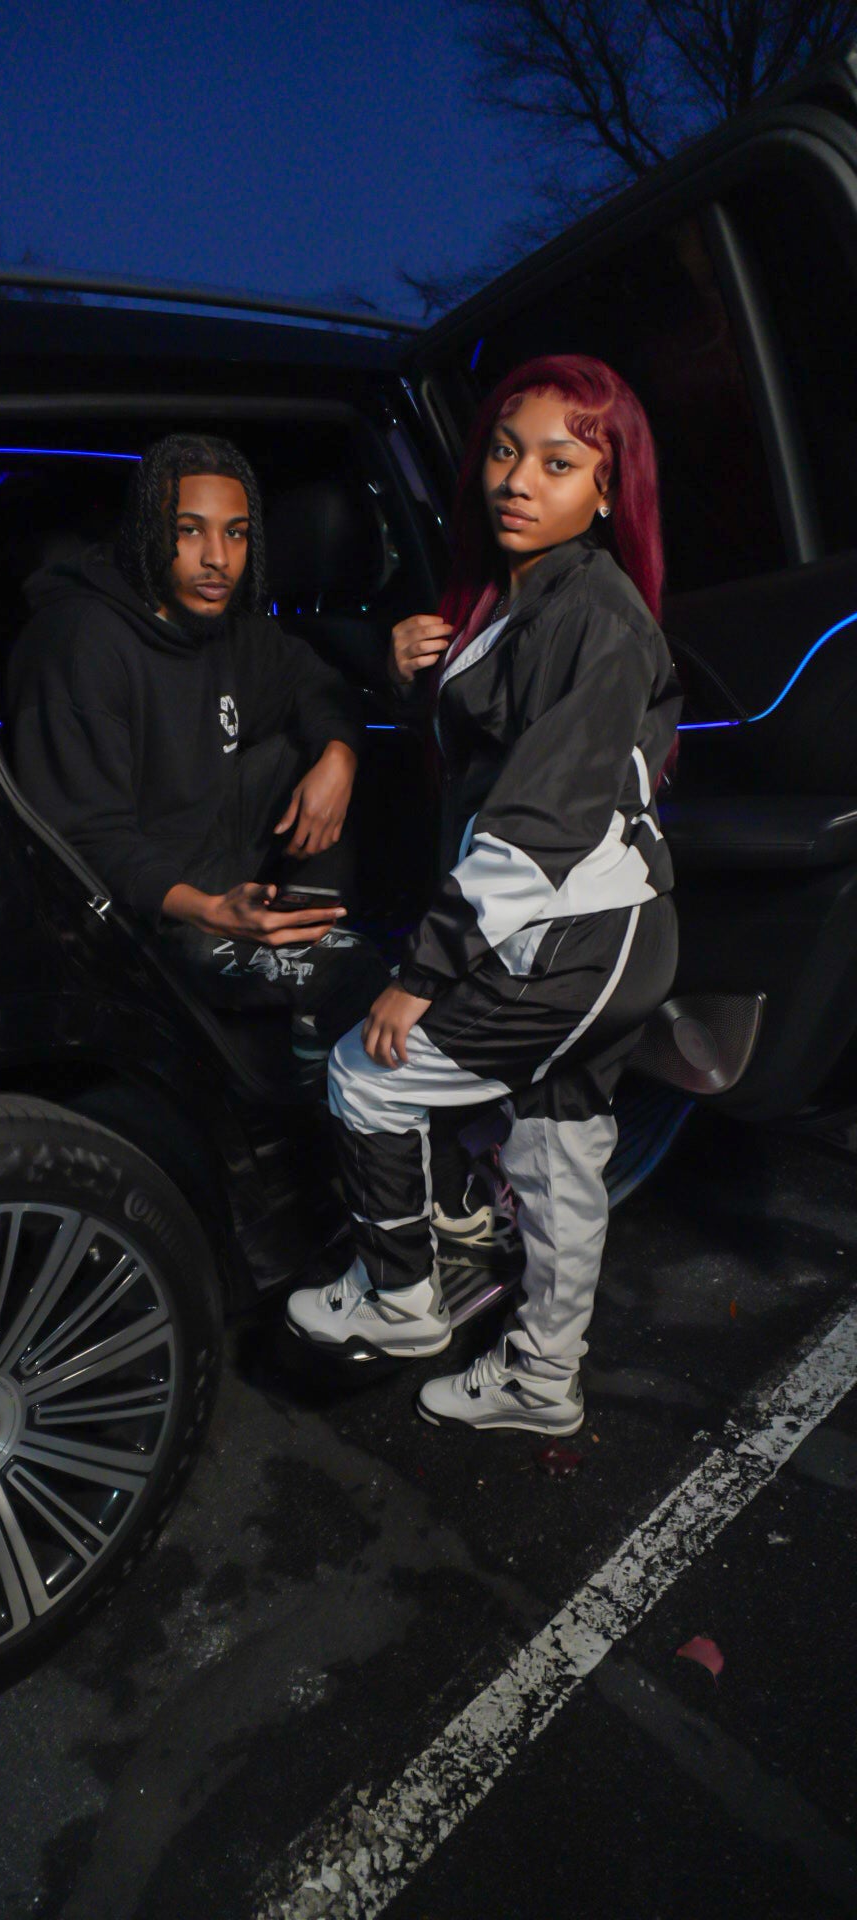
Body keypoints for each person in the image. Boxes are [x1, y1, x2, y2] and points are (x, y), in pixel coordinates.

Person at [286, 355, 682, 1436]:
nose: (517, 480)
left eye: (558, 463)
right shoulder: (525, 598)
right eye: (506, 452)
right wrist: (410, 670)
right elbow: (493, 749)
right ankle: (542, 1384)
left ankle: (399, 1298)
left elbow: (536, 820)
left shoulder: (595, 614)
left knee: (367, 1076)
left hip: (570, 935)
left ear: (607, 491)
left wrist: (423, 973)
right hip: (595, 932)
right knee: (558, 1157)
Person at [8, 433, 388, 1050]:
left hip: (205, 857)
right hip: (135, 916)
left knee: (317, 747)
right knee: (355, 978)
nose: (218, 558)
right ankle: (304, 1044)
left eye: (235, 534)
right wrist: (211, 911)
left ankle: (306, 929)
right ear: (146, 533)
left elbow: (313, 684)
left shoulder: (221, 626)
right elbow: (85, 842)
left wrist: (338, 758)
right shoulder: (82, 644)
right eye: (189, 531)